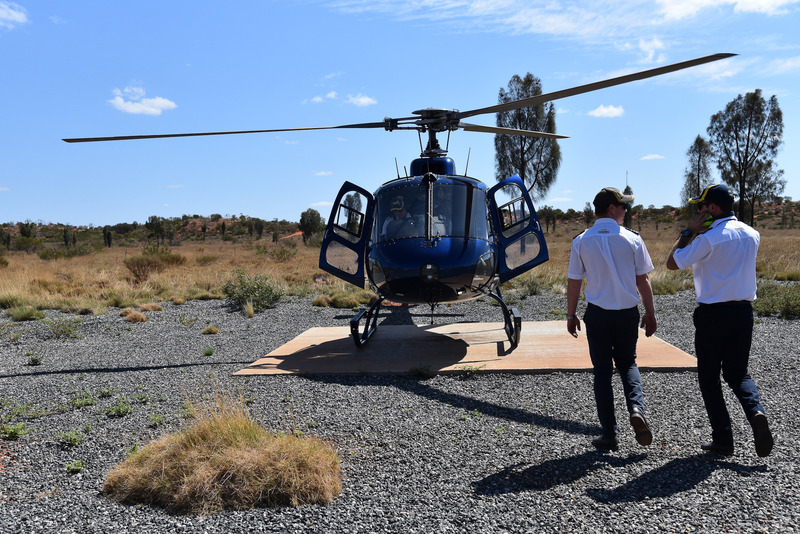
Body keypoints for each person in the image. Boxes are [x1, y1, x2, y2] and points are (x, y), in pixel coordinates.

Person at [667, 183, 773, 457]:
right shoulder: (752, 233)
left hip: (713, 314)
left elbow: (672, 262)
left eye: (701, 207)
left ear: (712, 208)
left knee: (709, 377)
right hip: (743, 312)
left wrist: (689, 231)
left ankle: (723, 439)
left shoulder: (708, 238)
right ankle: (755, 411)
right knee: (738, 373)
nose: (698, 212)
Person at [567, 187, 657, 451]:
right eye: (623, 206)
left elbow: (574, 281)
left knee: (602, 372)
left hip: (598, 314)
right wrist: (650, 312)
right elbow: (643, 280)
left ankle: (609, 434)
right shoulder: (632, 239)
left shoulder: (581, 240)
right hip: (627, 314)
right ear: (611, 208)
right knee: (628, 363)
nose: (626, 210)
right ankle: (636, 409)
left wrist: (571, 314)